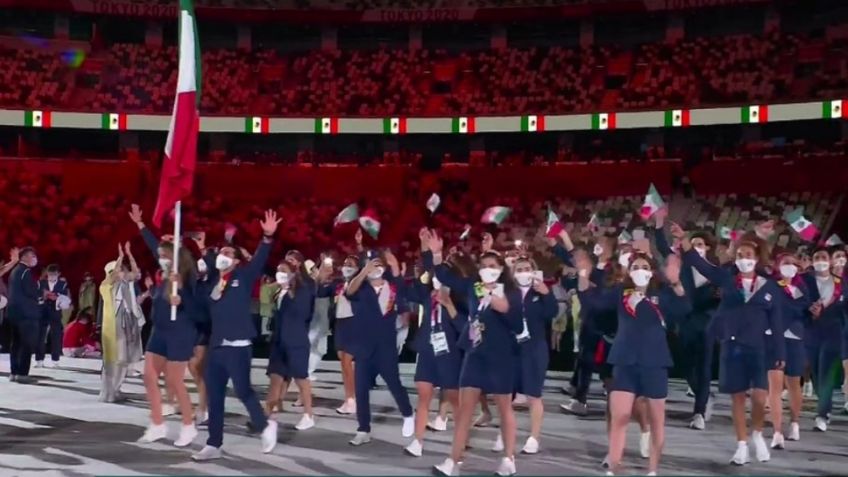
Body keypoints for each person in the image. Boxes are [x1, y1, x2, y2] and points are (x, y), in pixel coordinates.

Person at [675, 225, 783, 465]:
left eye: (748, 255)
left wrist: (780, 351)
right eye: (740, 255)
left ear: (756, 258)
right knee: (737, 399)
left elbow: (776, 322)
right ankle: (741, 444)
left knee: (758, 398)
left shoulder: (768, 286)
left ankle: (756, 434)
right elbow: (701, 265)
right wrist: (683, 241)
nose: (744, 259)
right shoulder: (727, 279)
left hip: (758, 347)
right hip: (732, 346)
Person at [577, 251, 689, 476]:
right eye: (635, 266)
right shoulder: (621, 293)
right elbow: (594, 302)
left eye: (644, 266)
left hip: (655, 363)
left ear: (652, 271)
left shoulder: (661, 294)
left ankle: (653, 470)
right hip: (624, 361)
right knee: (620, 417)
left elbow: (684, 308)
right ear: (629, 271)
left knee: (657, 421)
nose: (640, 270)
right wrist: (583, 275)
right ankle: (614, 467)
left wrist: (676, 281)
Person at [430, 232, 523, 477]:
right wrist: (437, 253)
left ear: (502, 268)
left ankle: (508, 459)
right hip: (475, 353)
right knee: (464, 411)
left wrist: (497, 300)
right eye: (483, 266)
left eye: (492, 266)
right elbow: (443, 275)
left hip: (501, 356)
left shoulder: (512, 293)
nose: (487, 270)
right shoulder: (474, 286)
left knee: (504, 409)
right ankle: (453, 461)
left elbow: (516, 324)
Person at [191, 210, 281, 462]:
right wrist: (201, 251)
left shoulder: (243, 276)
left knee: (243, 391)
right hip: (218, 346)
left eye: (229, 254)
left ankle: (265, 425)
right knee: (214, 394)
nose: (223, 255)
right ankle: (213, 443)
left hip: (239, 346)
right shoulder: (210, 284)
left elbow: (260, 260)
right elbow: (203, 279)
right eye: (221, 253)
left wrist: (266, 237)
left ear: (238, 261)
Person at [652, 210, 720, 430]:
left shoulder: (714, 270)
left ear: (708, 247)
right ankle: (704, 395)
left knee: (704, 365)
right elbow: (664, 249)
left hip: (707, 322)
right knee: (687, 364)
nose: (698, 247)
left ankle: (699, 412)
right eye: (694, 243)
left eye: (701, 244)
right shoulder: (686, 266)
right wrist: (659, 224)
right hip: (686, 321)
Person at [403, 229, 467, 457]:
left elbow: (464, 327)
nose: (437, 278)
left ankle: (461, 440)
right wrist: (423, 245)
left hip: (450, 351)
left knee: (454, 398)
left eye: (443, 275)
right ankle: (417, 441)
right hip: (428, 349)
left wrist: (449, 306)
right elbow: (426, 269)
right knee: (423, 394)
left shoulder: (461, 297)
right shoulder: (426, 294)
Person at [345, 250, 415, 446]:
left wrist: (395, 267)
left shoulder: (392, 287)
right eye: (370, 265)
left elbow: (403, 294)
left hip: (385, 345)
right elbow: (349, 291)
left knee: (394, 383)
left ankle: (408, 413)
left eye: (377, 265)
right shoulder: (361, 288)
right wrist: (363, 271)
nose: (374, 269)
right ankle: (363, 428)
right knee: (361, 389)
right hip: (364, 346)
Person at [502, 256, 557, 455]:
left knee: (534, 395)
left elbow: (552, 312)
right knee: (506, 395)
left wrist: (547, 294)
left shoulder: (539, 292)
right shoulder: (509, 293)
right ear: (513, 273)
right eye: (519, 269)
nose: (524, 272)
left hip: (535, 348)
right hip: (512, 348)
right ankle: (505, 433)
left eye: (527, 268)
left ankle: (534, 437)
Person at [265, 260, 316, 430]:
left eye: (284, 270)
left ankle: (308, 415)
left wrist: (291, 289)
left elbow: (303, 313)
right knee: (275, 378)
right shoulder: (279, 292)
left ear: (294, 273)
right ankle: (268, 415)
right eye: (278, 269)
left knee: (301, 379)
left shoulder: (302, 292)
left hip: (296, 342)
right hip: (279, 342)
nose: (280, 273)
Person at [800, 246, 846, 432]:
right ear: (812, 261)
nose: (821, 260)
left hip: (834, 333)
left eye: (824, 257)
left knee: (826, 373)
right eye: (817, 257)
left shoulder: (841, 283)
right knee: (817, 375)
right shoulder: (804, 281)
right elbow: (796, 302)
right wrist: (808, 311)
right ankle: (823, 404)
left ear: (830, 261)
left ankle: (822, 414)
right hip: (811, 332)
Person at [768, 251, 810, 447]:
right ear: (778, 265)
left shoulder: (802, 288)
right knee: (775, 386)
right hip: (774, 338)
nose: (790, 266)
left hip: (795, 338)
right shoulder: (771, 286)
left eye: (794, 263)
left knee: (794, 383)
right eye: (786, 262)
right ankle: (777, 432)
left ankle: (794, 422)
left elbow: (805, 310)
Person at [99, 245, 145, 403]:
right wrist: (119, 257)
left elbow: (136, 273)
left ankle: (116, 390)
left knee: (123, 360)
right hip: (113, 327)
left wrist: (130, 254)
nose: (123, 272)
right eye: (119, 270)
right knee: (112, 361)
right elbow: (112, 277)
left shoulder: (126, 284)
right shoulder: (106, 286)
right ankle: (108, 392)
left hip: (127, 323)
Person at [317, 254, 360, 415]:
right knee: (344, 362)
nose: (347, 266)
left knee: (348, 362)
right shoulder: (338, 284)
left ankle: (352, 399)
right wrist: (323, 272)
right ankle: (350, 398)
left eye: (351, 264)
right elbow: (320, 291)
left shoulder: (361, 285)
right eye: (345, 263)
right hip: (340, 323)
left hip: (354, 323)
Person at [8, 247, 41, 384]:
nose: (34, 258)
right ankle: (22, 374)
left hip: (14, 313)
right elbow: (31, 291)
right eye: (32, 255)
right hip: (26, 314)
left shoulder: (14, 271)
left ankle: (14, 372)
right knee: (26, 344)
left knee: (15, 344)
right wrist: (40, 292)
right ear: (25, 257)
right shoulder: (26, 271)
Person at [35, 264, 71, 368]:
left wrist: (57, 297)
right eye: (50, 274)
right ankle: (39, 360)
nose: (51, 276)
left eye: (54, 274)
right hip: (43, 312)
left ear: (58, 274)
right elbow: (36, 296)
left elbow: (65, 298)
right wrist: (44, 296)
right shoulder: (40, 283)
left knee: (56, 336)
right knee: (40, 336)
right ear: (47, 274)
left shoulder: (62, 284)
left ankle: (55, 360)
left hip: (55, 312)